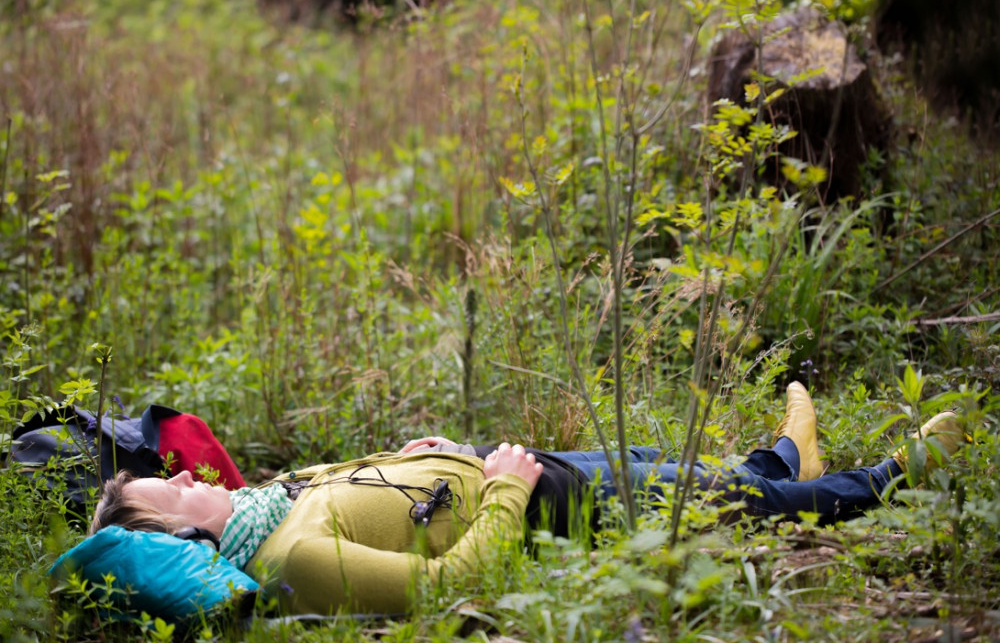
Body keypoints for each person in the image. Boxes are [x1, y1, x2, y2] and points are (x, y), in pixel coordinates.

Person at [88, 383, 964, 615]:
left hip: (512, 467)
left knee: (673, 462)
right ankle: (893, 479)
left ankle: (778, 455)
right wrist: (506, 493)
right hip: (548, 510)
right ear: (165, 531)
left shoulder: (269, 505)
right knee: (732, 505)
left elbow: (359, 480)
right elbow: (444, 586)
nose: (186, 473)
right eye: (166, 483)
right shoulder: (291, 561)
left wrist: (429, 452)